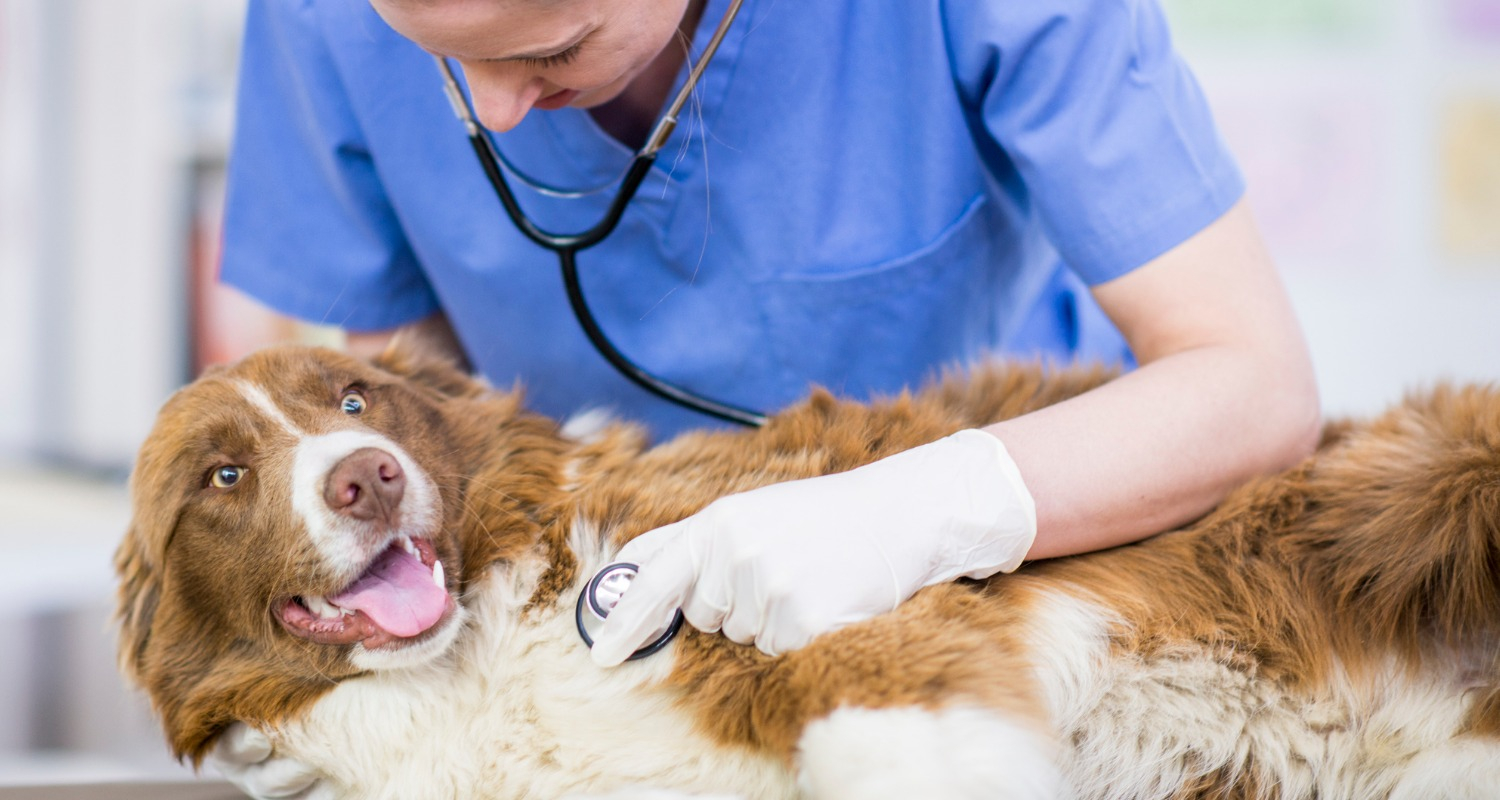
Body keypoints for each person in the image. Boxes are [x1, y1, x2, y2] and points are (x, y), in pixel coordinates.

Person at [211, 0, 1320, 793]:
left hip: (1030, 583)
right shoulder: (322, 18)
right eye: (444, 62)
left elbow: (1253, 382)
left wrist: (912, 512)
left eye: (553, 49)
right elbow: (412, 399)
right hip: (610, 631)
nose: (499, 115)